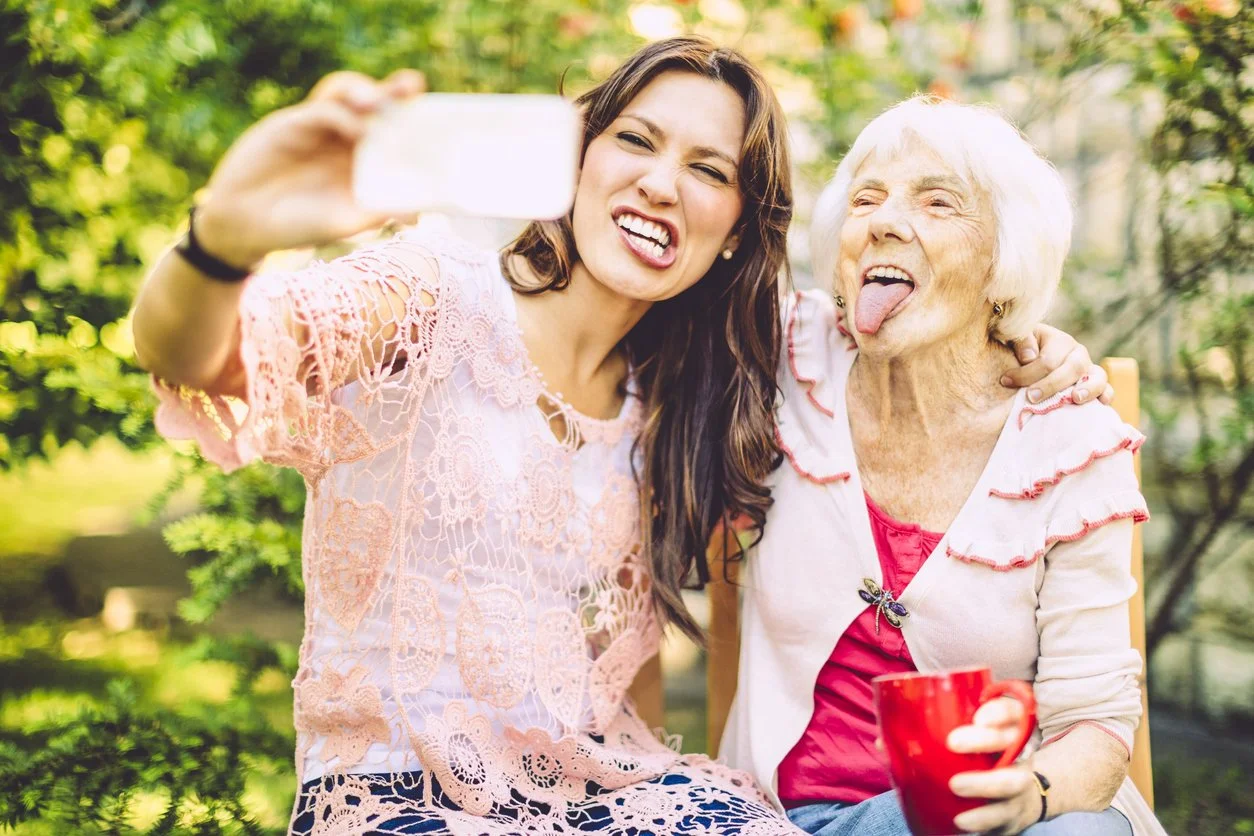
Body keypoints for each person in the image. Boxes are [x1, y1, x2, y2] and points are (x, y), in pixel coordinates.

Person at [132, 35, 1106, 833]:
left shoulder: (685, 393)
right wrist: (224, 239)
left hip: (605, 796)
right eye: (635, 141)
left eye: (707, 169)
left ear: (735, 229)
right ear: (578, 161)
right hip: (397, 801)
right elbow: (207, 355)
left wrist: (1024, 341)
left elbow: (611, 682)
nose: (661, 184)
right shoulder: (430, 292)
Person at [721, 96, 1165, 836]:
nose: (885, 222)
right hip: (792, 819)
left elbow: (1094, 728)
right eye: (866, 199)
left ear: (1006, 260)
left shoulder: (1070, 442)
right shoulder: (786, 358)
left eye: (937, 202)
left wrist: (1029, 792)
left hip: (1005, 813)